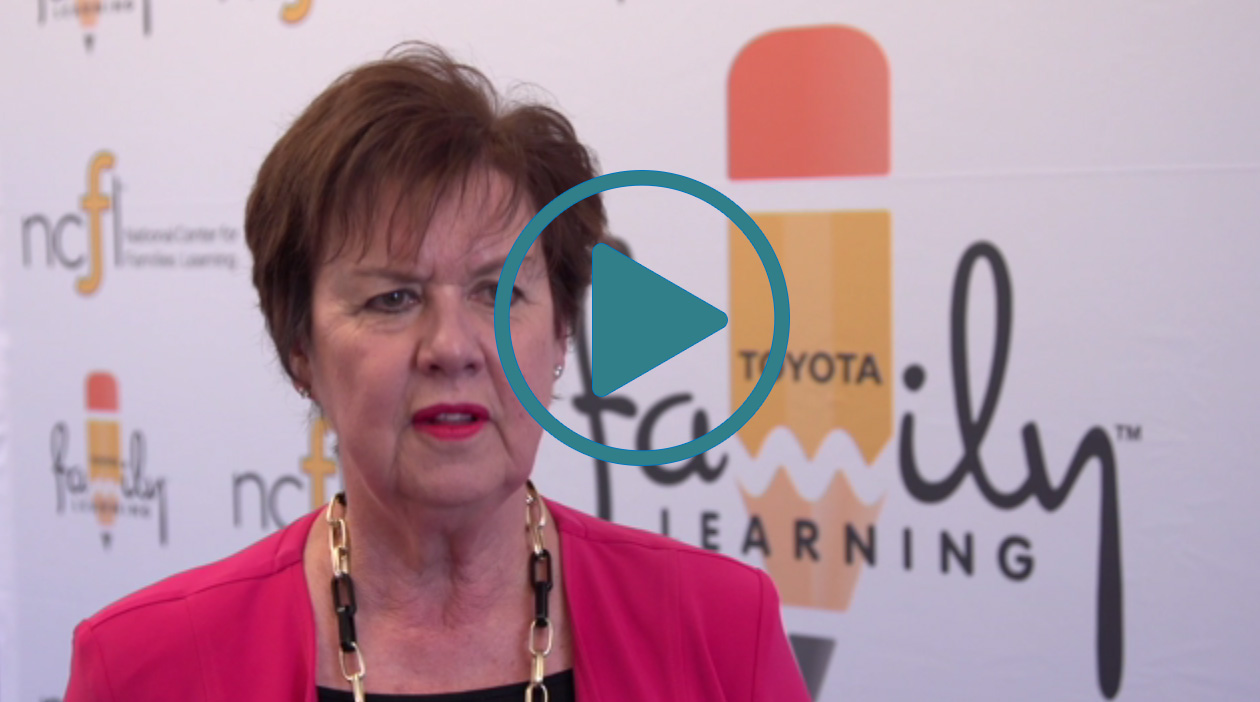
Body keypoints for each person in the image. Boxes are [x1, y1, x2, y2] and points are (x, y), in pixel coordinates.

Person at [64, 43, 810, 701]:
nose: (452, 346)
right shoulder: (142, 669)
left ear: (560, 334)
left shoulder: (720, 627)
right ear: (300, 349)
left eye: (498, 291)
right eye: (393, 298)